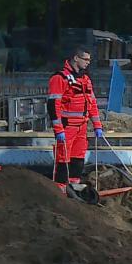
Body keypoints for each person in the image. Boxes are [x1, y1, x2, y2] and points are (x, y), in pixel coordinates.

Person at [48, 45, 104, 193]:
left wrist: (97, 125)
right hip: (67, 127)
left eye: (89, 60)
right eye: (85, 59)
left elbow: (92, 103)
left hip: (82, 126)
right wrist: (58, 129)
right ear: (76, 58)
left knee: (78, 158)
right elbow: (53, 105)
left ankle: (74, 188)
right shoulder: (59, 78)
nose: (88, 62)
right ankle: (60, 190)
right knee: (63, 159)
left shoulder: (85, 79)